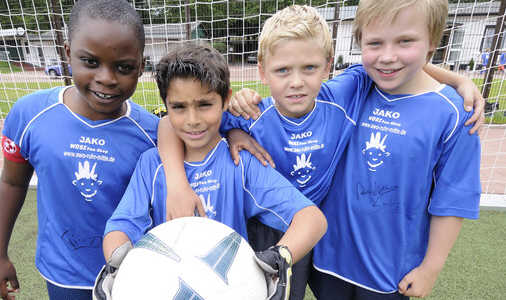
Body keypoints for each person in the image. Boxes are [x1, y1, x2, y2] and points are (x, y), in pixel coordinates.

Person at [157, 5, 485, 300]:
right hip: (262, 227)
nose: (296, 82)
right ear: (263, 72)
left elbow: (394, 63)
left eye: (310, 68)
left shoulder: (346, 91)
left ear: (328, 66)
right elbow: (171, 125)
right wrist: (186, 175)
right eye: (283, 70)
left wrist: (459, 81)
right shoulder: (251, 114)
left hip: (313, 231)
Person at [96, 44, 327, 300]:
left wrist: (279, 258)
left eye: (204, 104)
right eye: (179, 107)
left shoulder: (240, 162)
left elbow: (312, 219)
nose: (192, 119)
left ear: (226, 100)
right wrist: (119, 266)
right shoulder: (152, 165)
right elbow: (121, 226)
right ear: (165, 105)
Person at [307, 0, 481, 299]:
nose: (387, 57)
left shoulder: (454, 114)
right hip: (327, 260)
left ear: (433, 41)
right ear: (360, 42)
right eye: (375, 43)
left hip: (391, 274)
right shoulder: (356, 86)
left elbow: (452, 201)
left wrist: (430, 269)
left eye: (405, 41)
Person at [0, 0, 160, 299]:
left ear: (142, 65)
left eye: (124, 67)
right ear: (68, 53)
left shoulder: (154, 134)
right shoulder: (29, 114)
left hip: (134, 274)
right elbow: (12, 181)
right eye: (91, 62)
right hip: (63, 274)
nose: (106, 78)